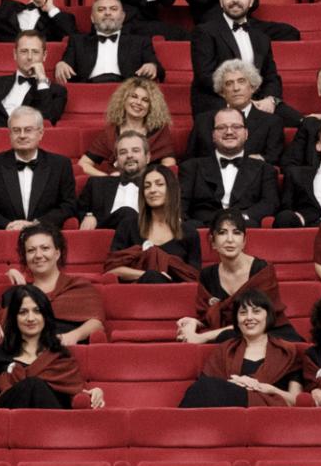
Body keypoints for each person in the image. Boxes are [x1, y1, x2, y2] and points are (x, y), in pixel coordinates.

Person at [0, 285, 103, 409]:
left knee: (35, 385)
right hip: (8, 418)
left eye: (37, 311)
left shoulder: (60, 355)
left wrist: (93, 393)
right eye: (23, 312)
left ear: (45, 316)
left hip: (50, 419)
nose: (30, 318)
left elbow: (72, 393)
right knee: (32, 384)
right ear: (14, 318)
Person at [176, 213, 295, 343]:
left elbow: (259, 320)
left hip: (270, 334)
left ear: (244, 241)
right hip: (233, 337)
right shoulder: (207, 275)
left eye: (236, 233)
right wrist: (195, 322)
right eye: (222, 233)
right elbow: (208, 316)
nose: (230, 239)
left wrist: (201, 337)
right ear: (213, 241)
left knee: (228, 338)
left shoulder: (262, 269)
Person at [177, 289, 306, 407]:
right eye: (243, 313)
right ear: (236, 320)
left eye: (256, 311)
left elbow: (295, 401)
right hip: (228, 411)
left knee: (205, 387)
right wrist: (236, 384)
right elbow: (207, 389)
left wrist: (266, 388)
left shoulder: (288, 351)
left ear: (268, 316)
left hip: (268, 410)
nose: (249, 318)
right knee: (201, 387)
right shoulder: (226, 349)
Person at [190, 0, 289, 117]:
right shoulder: (204, 32)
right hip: (220, 103)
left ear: (251, 1)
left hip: (258, 103)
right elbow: (205, 77)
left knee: (307, 124)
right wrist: (244, 101)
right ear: (221, 1)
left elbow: (271, 77)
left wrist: (270, 100)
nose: (235, 0)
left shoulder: (261, 37)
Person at [0, 107, 76, 231]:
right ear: (10, 134)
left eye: (28, 130)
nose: (22, 135)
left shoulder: (60, 165)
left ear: (40, 133)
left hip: (46, 235)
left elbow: (69, 206)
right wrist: (7, 225)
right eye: (16, 130)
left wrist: (38, 224)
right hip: (5, 236)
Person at [0, 224, 105, 345]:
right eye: (31, 250)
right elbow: (4, 326)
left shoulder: (79, 286)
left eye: (45, 248)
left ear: (57, 253)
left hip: (68, 352)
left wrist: (73, 336)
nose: (38, 255)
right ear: (25, 257)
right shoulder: (16, 294)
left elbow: (97, 323)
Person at [179, 108, 281, 226]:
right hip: (203, 228)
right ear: (213, 135)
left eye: (236, 127)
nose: (229, 132)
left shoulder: (265, 169)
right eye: (221, 127)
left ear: (246, 133)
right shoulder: (191, 168)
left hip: (246, 227)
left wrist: (240, 218)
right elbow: (181, 204)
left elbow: (270, 203)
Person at [105, 164, 202, 283]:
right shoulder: (128, 225)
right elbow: (112, 270)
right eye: (147, 186)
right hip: (136, 296)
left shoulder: (189, 233)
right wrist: (148, 275)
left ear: (172, 189)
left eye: (159, 184)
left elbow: (193, 278)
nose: (152, 190)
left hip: (174, 297)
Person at [0, 32, 67, 128]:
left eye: (35, 52)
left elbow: (47, 120)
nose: (29, 57)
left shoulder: (57, 92)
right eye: (24, 51)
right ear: (15, 54)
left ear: (44, 56)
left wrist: (42, 80)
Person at [186, 60, 286, 163]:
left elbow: (275, 159)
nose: (236, 88)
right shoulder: (203, 121)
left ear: (252, 87)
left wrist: (260, 159)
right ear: (222, 92)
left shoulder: (272, 123)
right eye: (229, 83)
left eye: (241, 81)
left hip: (253, 176)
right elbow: (189, 162)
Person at [56, 0, 161, 86]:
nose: (107, 13)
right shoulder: (77, 41)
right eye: (101, 9)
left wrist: (152, 66)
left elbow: (160, 71)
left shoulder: (140, 42)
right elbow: (66, 63)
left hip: (126, 93)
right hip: (90, 92)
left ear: (123, 16)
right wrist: (61, 64)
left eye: (113, 9)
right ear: (92, 17)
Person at [81, 77, 178, 174]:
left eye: (145, 100)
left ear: (151, 106)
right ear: (123, 99)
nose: (138, 103)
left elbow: (169, 162)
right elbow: (84, 163)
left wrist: (149, 178)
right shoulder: (111, 131)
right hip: (119, 182)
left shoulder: (159, 129)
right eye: (134, 96)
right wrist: (107, 178)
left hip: (147, 184)